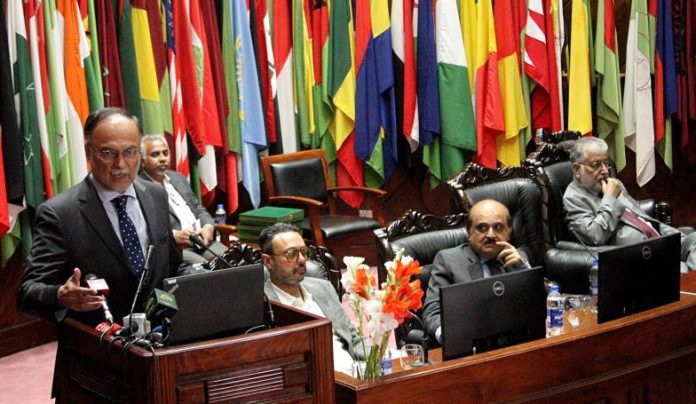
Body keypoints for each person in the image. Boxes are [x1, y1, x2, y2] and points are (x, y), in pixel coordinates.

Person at [17, 107, 188, 328]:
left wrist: (201, 277)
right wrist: (59, 295)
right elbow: (27, 292)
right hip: (98, 346)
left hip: (159, 339)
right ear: (88, 153)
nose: (120, 164)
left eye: (130, 152)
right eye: (108, 153)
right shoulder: (59, 213)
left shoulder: (156, 195)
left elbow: (171, 266)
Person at [564, 136, 696, 273]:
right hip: (642, 255)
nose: (604, 171)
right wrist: (610, 198)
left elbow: (639, 217)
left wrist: (673, 236)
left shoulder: (614, 184)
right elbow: (595, 236)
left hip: (661, 241)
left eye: (606, 163)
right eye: (596, 165)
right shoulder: (573, 199)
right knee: (682, 272)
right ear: (577, 170)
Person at [259, 223, 364, 374]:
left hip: (355, 375)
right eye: (291, 254)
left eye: (303, 252)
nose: (301, 260)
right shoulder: (262, 305)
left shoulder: (323, 288)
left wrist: (379, 359)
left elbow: (353, 337)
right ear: (268, 261)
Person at [422, 199, 531, 343]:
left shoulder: (518, 258)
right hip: (472, 347)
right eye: (482, 228)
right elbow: (432, 312)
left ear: (509, 232)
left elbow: (542, 305)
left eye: (498, 227)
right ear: (469, 231)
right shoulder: (448, 261)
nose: (491, 235)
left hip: (516, 347)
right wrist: (451, 338)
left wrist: (525, 269)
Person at [139, 135, 228, 264]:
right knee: (204, 270)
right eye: (155, 155)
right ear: (142, 161)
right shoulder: (140, 188)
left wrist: (208, 226)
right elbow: (145, 229)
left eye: (165, 153)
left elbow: (198, 208)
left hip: (202, 241)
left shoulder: (177, 178)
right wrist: (174, 236)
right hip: (177, 248)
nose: (163, 159)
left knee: (232, 261)